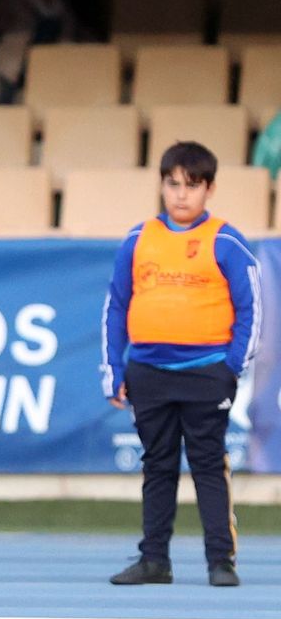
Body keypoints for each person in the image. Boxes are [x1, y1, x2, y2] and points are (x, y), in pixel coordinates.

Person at [103, 141, 260, 588]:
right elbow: (116, 306)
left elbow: (252, 308)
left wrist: (232, 367)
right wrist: (115, 369)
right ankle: (154, 560)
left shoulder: (227, 241)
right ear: (161, 186)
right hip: (148, 373)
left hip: (207, 372)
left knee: (209, 465)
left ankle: (220, 561)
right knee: (158, 464)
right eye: (172, 184)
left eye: (192, 186)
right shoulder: (138, 238)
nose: (181, 195)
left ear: (209, 189)